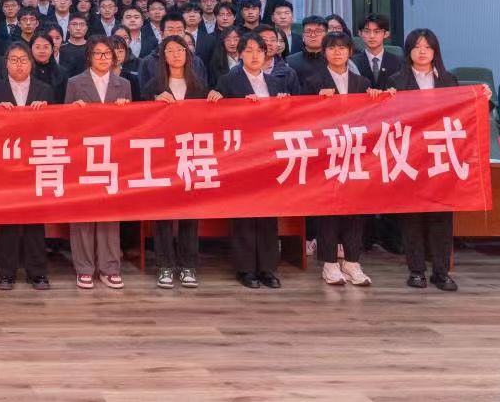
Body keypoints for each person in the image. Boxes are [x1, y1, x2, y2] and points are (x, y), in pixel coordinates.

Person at [390, 29, 491, 291]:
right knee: (411, 217)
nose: (422, 51)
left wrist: (484, 98)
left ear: (435, 51)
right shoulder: (396, 81)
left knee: (441, 216)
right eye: (417, 47)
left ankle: (441, 272)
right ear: (408, 51)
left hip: (441, 157)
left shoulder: (448, 79)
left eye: (427, 47)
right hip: (410, 157)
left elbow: (467, 110)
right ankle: (416, 271)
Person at [301, 31, 380, 287]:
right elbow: (301, 118)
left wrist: (379, 96)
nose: (337, 52)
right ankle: (329, 263)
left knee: (355, 209)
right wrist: (316, 102)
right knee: (329, 210)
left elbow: (373, 116)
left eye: (342, 48)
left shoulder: (362, 82)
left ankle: (352, 262)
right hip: (326, 154)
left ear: (350, 52)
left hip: (355, 154)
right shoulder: (312, 82)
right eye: (332, 48)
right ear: (324, 52)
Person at [214, 32, 287, 289]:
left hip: (269, 155)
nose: (255, 55)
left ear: (267, 54)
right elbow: (217, 117)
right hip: (241, 156)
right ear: (239, 54)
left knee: (268, 213)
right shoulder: (228, 81)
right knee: (244, 213)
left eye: (259, 50)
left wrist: (284, 105)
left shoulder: (276, 83)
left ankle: (267, 268)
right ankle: (245, 269)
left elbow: (288, 118)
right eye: (249, 50)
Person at [142, 36, 214, 289]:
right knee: (162, 214)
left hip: (191, 154)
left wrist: (216, 97)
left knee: (189, 214)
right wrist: (152, 104)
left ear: (187, 54)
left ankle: (188, 265)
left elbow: (211, 118)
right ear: (162, 56)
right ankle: (164, 265)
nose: (175, 54)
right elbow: (140, 120)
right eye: (170, 50)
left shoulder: (200, 85)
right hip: (162, 157)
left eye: (180, 50)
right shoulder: (152, 86)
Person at [0, 43, 56, 290]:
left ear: (31, 63)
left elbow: (57, 125)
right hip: (5, 164)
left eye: (23, 60)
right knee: (7, 220)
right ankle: (6, 273)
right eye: (13, 60)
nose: (18, 64)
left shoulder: (45, 90)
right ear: (6, 64)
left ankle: (38, 272)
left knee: (35, 220)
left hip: (35, 162)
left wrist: (46, 112)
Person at [64, 36, 132, 290]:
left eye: (107, 53)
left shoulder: (124, 84)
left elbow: (132, 124)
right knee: (82, 211)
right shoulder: (74, 83)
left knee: (109, 212)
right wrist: (73, 110)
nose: (103, 58)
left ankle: (110, 266)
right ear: (89, 57)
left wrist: (126, 109)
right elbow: (63, 122)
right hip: (83, 155)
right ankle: (84, 267)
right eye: (97, 53)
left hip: (112, 155)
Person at [353, 13, 401, 90]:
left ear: (386, 34)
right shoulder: (353, 62)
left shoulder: (397, 61)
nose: (372, 36)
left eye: (377, 31)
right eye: (367, 31)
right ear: (360, 33)